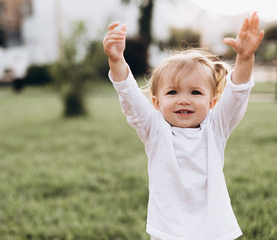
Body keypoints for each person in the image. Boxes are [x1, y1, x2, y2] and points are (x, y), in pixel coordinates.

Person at [102, 12, 264, 240]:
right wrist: (117, 60)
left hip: (213, 229)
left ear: (212, 102)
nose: (184, 99)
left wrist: (245, 59)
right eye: (173, 92)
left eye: (195, 92)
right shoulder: (154, 127)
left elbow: (237, 94)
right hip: (167, 230)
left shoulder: (215, 127)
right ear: (157, 102)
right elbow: (129, 96)